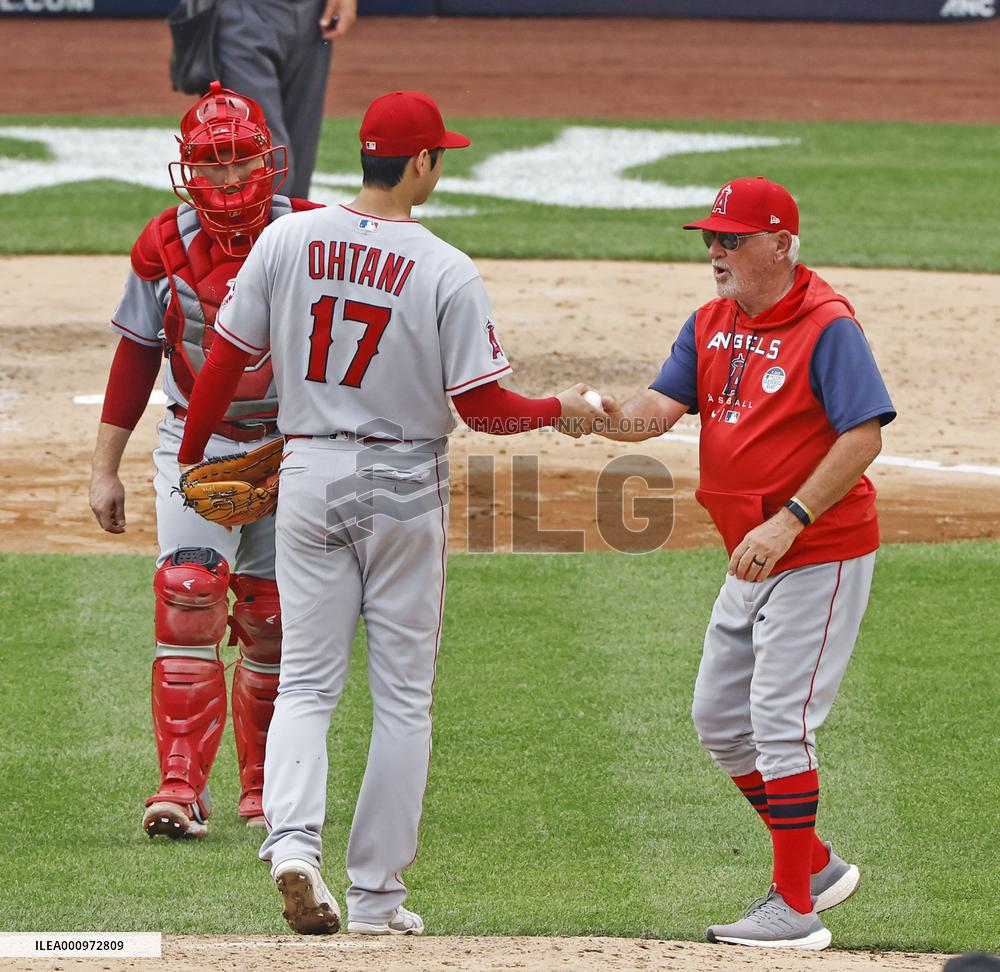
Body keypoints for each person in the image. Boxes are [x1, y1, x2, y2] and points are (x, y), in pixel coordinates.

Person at [175, 90, 603, 936]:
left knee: (305, 682)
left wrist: (196, 456)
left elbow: (223, 361)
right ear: (421, 164)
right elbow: (484, 406)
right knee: (403, 699)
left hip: (305, 470)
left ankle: (293, 845)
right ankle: (376, 898)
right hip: (402, 482)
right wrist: (558, 407)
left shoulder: (286, 237)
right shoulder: (444, 266)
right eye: (440, 154)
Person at [595, 177, 896, 950]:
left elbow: (863, 435)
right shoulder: (711, 323)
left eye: (733, 239)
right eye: (711, 239)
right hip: (749, 556)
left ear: (782, 245)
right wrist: (591, 419)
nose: (716, 252)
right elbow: (656, 411)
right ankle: (818, 863)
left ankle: (794, 907)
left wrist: (791, 521)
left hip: (815, 548)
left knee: (779, 722)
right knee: (720, 723)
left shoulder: (828, 326)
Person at [89, 81, 322, 839]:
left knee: (274, 617)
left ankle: (264, 790)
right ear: (187, 169)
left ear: (268, 161)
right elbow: (135, 355)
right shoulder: (161, 246)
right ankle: (180, 784)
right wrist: (104, 466)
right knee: (189, 593)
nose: (226, 179)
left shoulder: (318, 237)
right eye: (211, 163)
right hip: (197, 440)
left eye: (239, 160)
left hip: (294, 449)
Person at [215, 0, 357, 198]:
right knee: (265, 157)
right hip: (241, 9)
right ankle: (260, 228)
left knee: (300, 159)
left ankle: (290, 226)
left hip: (312, 15)